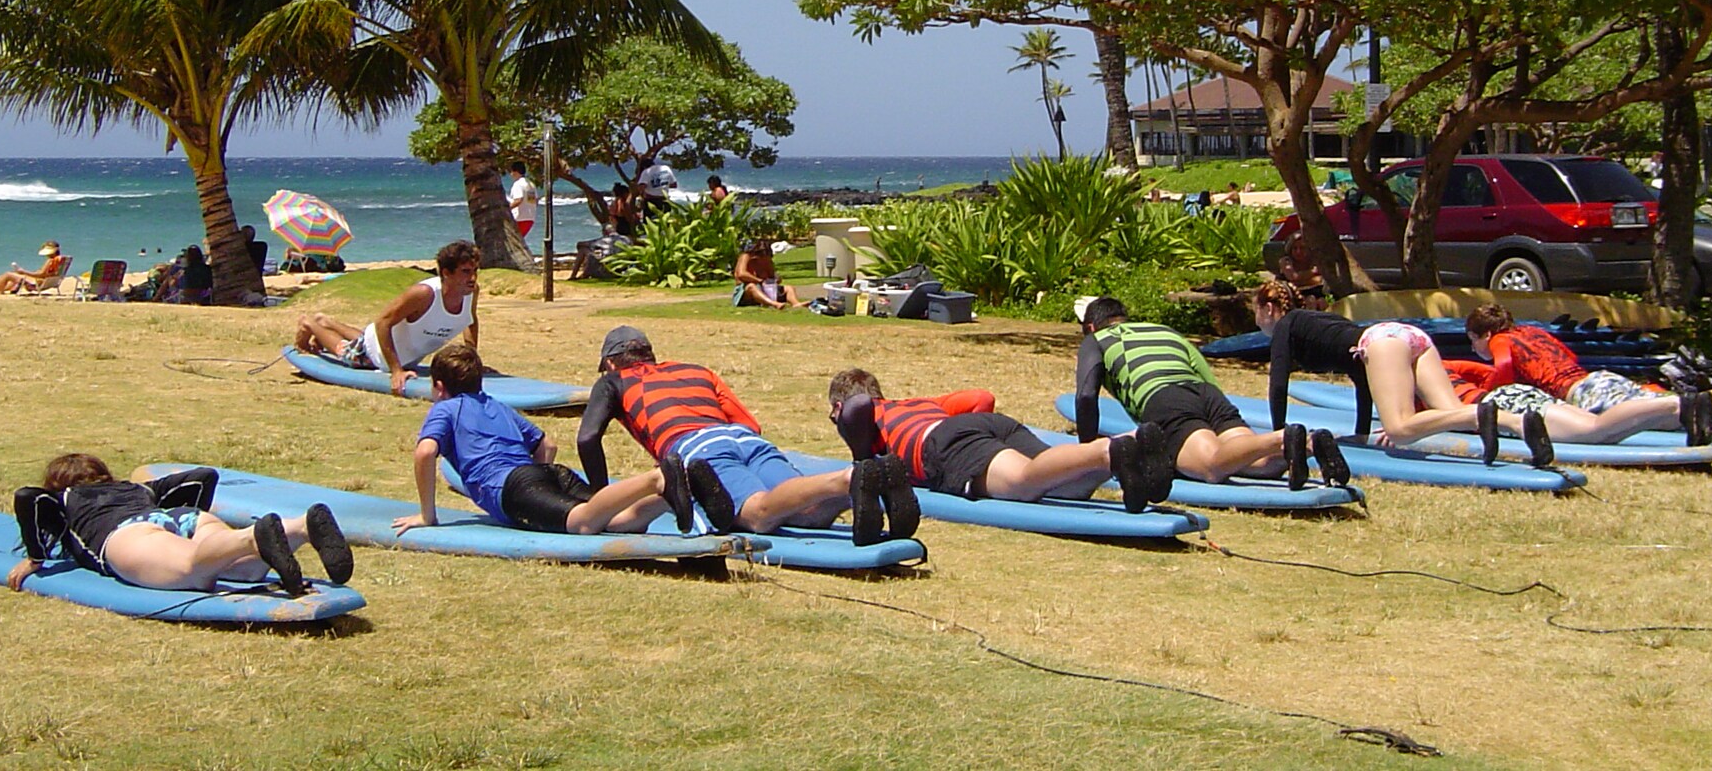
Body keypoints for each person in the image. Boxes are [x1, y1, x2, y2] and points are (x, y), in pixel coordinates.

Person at [578, 326, 915, 544]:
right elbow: (749, 423)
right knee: (808, 512)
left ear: (610, 363)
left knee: (757, 514)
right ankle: (869, 479)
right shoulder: (697, 371)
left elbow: (588, 437)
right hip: (743, 437)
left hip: (698, 447)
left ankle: (849, 478)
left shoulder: (613, 381)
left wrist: (598, 495)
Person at [393, 344, 727, 536]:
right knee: (614, 523)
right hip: (548, 473)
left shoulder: (446, 408)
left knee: (582, 524)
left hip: (514, 486)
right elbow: (546, 445)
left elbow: (425, 452)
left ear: (438, 386)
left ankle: (658, 478)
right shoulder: (495, 405)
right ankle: (679, 488)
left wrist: (427, 515)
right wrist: (540, 481)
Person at [1254, 281, 1551, 467]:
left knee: (1399, 429)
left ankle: (1478, 413)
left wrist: (1278, 436)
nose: (1257, 323)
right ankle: (1518, 422)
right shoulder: (1321, 319)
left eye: (1256, 314)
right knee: (1451, 413)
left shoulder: (1286, 325)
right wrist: (1362, 433)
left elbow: (1278, 384)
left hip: (1382, 342)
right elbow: (1360, 373)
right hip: (1408, 335)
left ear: (1268, 309)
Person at [1076, 296, 1350, 490]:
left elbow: (1086, 395)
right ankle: (1309, 443)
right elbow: (1205, 373)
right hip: (1206, 394)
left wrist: (1086, 449)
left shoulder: (1096, 339)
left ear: (1090, 326)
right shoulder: (1166, 331)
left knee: (1210, 465)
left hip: (1163, 397)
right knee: (1259, 463)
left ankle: (1284, 436)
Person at [827, 368, 1169, 513]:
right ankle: (1128, 443)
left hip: (942, 443)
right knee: (1063, 485)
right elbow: (981, 396)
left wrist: (845, 422)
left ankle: (1107, 448)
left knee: (1023, 481)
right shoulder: (920, 404)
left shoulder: (867, 421)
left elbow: (858, 408)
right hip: (987, 425)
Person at [7, 454, 352, 597]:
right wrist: (184, 518)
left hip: (128, 534)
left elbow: (27, 497)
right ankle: (301, 527)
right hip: (180, 518)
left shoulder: (64, 499)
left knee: (194, 570)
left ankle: (252, 538)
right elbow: (204, 476)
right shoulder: (137, 487)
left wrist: (35, 559)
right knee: (244, 572)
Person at [1464, 304, 1712, 446]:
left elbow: (1503, 367)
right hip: (1597, 378)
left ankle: (1694, 405)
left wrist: (1489, 393)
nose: (1474, 346)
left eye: (1473, 340)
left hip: (1582, 391)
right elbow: (1568, 356)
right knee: (1663, 414)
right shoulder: (1532, 332)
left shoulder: (1500, 340)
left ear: (1486, 332)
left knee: (1632, 420)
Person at [295, 240, 481, 395]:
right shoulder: (424, 294)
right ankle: (310, 323)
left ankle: (326, 321)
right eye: (466, 271)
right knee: (346, 352)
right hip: (375, 356)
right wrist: (396, 370)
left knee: (365, 338)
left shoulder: (471, 292)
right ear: (446, 273)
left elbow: (470, 320)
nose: (472, 278)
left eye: (475, 271)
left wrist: (471, 360)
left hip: (399, 351)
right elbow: (383, 322)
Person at [0, 240, 70, 295]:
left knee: (8, 275)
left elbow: (41, 274)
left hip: (37, 284)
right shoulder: (60, 260)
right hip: (49, 283)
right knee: (14, 275)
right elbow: (46, 274)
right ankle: (0, 289)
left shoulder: (51, 261)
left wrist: (24, 271)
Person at [733, 239, 804, 310]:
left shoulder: (767, 260)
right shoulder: (746, 257)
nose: (763, 258)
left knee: (789, 288)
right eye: (761, 255)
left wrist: (776, 278)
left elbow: (772, 276)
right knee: (752, 286)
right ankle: (774, 304)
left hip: (765, 289)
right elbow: (741, 274)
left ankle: (795, 303)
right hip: (746, 292)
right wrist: (759, 280)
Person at [507, 162, 539, 239]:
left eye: (511, 172)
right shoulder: (531, 184)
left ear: (515, 172)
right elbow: (535, 201)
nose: (511, 174)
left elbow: (518, 200)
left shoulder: (518, 184)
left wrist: (506, 209)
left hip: (519, 218)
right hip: (530, 218)